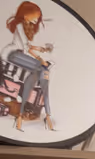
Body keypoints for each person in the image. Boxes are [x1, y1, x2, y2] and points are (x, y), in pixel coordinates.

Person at [4, 3, 53, 132]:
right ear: (25, 15)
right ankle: (43, 114)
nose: (37, 20)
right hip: (13, 54)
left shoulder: (25, 26)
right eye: (35, 17)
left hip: (19, 54)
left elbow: (28, 46)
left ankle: (27, 113)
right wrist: (40, 59)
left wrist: (40, 49)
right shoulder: (20, 26)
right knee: (42, 68)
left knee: (42, 71)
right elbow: (26, 48)